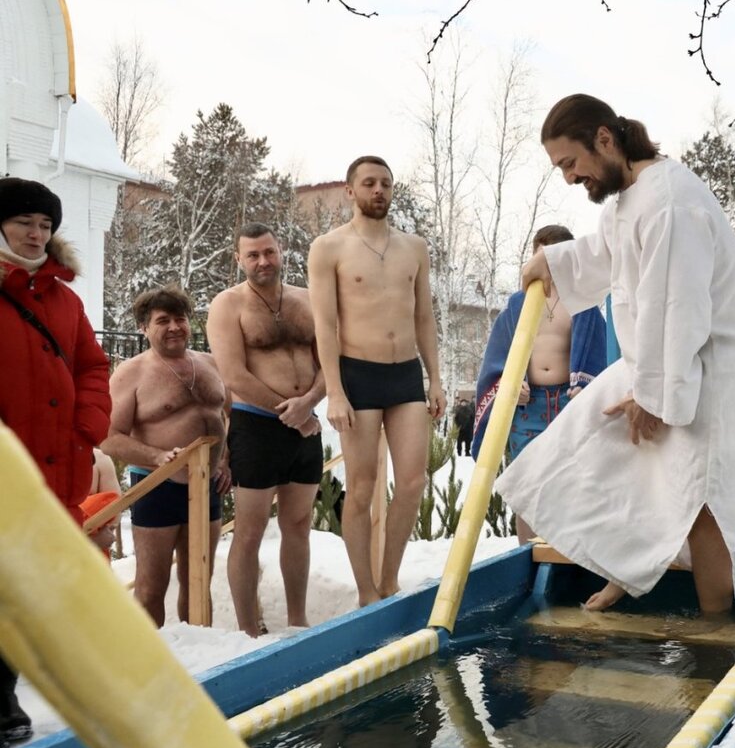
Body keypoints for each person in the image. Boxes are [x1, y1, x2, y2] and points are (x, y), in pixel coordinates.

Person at [498, 94, 735, 613]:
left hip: (710, 367)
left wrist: (653, 395)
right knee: (592, 444)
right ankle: (625, 571)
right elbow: (603, 256)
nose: (569, 178)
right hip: (660, 358)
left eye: (570, 163)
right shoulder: (632, 198)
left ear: (605, 138)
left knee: (701, 494)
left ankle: (716, 631)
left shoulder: (670, 201)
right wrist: (552, 262)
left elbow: (679, 307)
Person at [0, 177, 111, 748]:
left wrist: (88, 425)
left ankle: (4, 704)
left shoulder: (65, 299)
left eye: (44, 225)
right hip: (7, 472)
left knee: (25, 595)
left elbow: (94, 366)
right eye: (24, 222)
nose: (35, 233)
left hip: (57, 468)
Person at [308, 155, 446, 607]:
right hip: (357, 374)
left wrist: (436, 379)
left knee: (411, 481)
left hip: (405, 372)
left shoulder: (414, 247)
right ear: (350, 191)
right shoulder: (329, 248)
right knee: (362, 487)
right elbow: (325, 326)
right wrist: (334, 391)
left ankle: (389, 580)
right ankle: (365, 590)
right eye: (369, 183)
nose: (379, 190)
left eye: (385, 183)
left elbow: (424, 316)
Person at [208, 223, 325, 637]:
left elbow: (330, 360)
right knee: (250, 529)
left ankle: (297, 619)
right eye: (253, 255)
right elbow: (233, 374)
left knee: (299, 524)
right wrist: (289, 411)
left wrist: (308, 404)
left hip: (306, 425)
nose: (263, 261)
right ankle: (247, 631)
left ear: (281, 251)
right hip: (257, 428)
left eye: (269, 252)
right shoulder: (228, 305)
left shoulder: (307, 300)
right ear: (238, 259)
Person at [101, 287, 232, 627]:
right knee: (151, 584)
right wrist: (158, 456)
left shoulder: (210, 364)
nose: (174, 327)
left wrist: (226, 461)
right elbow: (108, 437)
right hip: (157, 486)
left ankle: (201, 660)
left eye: (180, 319)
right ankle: (146, 663)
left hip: (207, 487)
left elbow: (227, 417)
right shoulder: (131, 373)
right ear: (144, 328)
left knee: (199, 581)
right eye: (163, 321)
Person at [473, 224, 608, 543]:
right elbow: (498, 355)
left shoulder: (583, 303)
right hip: (528, 404)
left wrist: (585, 388)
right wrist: (510, 385)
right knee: (526, 484)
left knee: (573, 480)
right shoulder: (518, 304)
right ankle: (527, 556)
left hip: (567, 401)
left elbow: (598, 352)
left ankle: (568, 555)